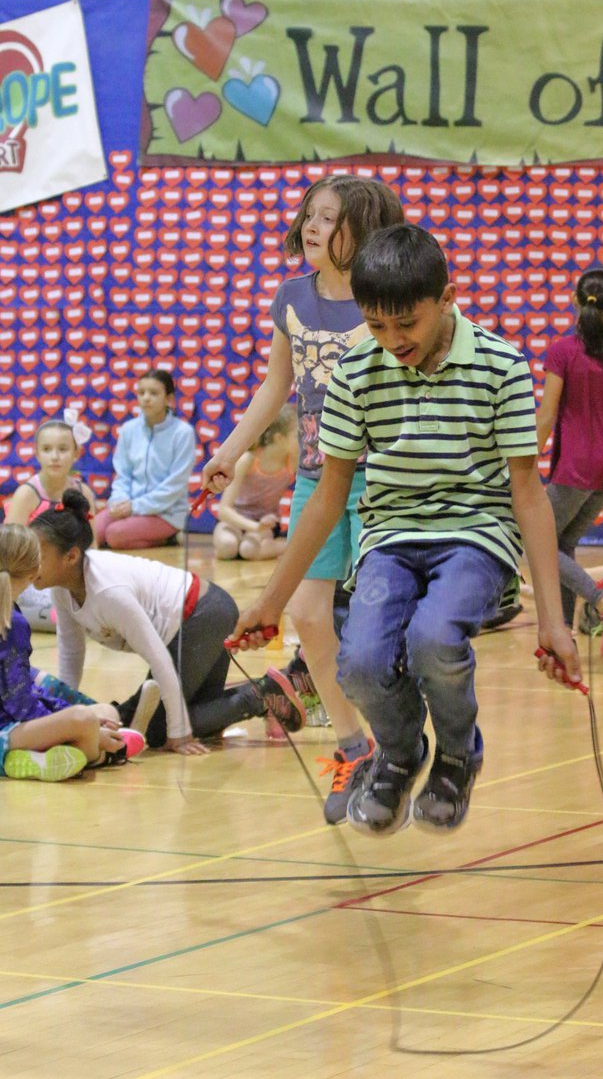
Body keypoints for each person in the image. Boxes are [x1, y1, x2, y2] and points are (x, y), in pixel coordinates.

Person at [229, 224, 582, 836]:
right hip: (390, 535)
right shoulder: (356, 372)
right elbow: (328, 494)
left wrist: (553, 619)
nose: (393, 341)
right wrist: (269, 602)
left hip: (476, 534)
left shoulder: (500, 365)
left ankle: (454, 756)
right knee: (359, 663)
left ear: (447, 297)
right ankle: (399, 753)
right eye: (376, 326)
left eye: (407, 325)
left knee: (433, 638)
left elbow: (527, 493)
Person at [202, 175, 405, 823]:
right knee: (309, 615)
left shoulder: (385, 300)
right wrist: (230, 450)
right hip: (319, 477)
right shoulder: (291, 297)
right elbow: (275, 387)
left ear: (364, 232)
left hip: (381, 478)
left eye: (330, 218)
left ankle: (402, 750)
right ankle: (354, 746)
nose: (313, 227)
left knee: (378, 627)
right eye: (309, 216)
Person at [31, 490, 306, 754]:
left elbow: (159, 659)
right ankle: (259, 695)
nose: (29, 562)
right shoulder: (62, 588)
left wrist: (178, 735)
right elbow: (71, 654)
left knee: (157, 730)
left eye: (38, 556)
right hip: (202, 616)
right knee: (195, 715)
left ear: (71, 557)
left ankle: (261, 695)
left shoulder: (108, 592)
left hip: (204, 616)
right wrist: (63, 713)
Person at [535, 267, 603, 663]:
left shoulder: (563, 351)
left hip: (574, 467)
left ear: (575, 302)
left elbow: (546, 415)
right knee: (561, 544)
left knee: (538, 545)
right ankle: (564, 635)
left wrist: (525, 464)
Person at [0, 523, 146, 782]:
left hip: (12, 725)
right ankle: (103, 754)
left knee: (100, 713)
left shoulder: (12, 615)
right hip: (7, 730)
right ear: (34, 572)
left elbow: (22, 691)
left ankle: (38, 759)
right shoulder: (13, 623)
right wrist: (82, 726)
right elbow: (20, 705)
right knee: (85, 720)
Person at [4, 411, 96, 633]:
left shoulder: (83, 492)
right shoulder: (27, 494)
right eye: (47, 449)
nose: (55, 456)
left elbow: (93, 549)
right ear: (36, 453)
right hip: (32, 579)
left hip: (70, 578)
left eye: (63, 449)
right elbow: (6, 552)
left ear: (77, 453)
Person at [94, 368, 195, 550]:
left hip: (166, 513)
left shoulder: (183, 433)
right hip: (129, 507)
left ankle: (169, 537)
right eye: (141, 393)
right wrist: (119, 501)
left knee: (115, 535)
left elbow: (174, 486)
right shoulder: (128, 429)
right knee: (92, 532)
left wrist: (135, 507)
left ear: (169, 399)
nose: (146, 398)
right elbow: (122, 475)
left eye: (154, 393)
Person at [212, 404, 297, 561]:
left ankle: (291, 547)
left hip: (265, 523)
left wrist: (260, 527)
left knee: (248, 550)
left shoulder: (291, 462)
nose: (305, 439)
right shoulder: (248, 459)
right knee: (227, 546)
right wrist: (254, 527)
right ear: (279, 438)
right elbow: (223, 510)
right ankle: (282, 546)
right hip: (235, 520)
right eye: (297, 435)